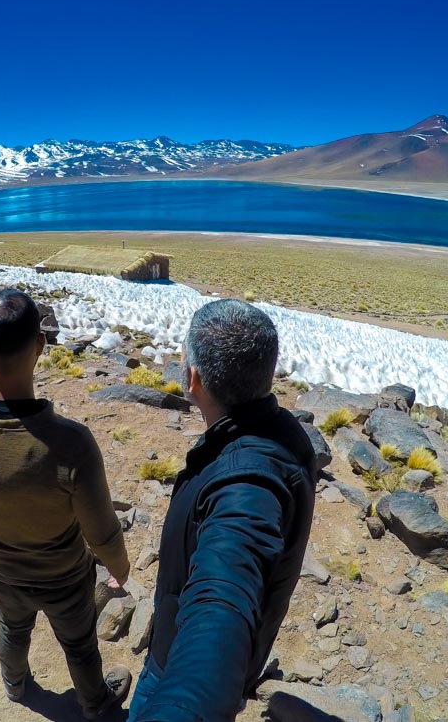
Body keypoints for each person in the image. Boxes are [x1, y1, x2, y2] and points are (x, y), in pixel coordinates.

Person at [0, 288, 133, 719]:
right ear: (40, 346)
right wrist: (119, 567)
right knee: (78, 644)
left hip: (1, 570)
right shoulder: (70, 442)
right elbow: (101, 531)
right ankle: (95, 704)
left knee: (12, 626)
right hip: (65, 578)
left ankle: (16, 685)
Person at [128, 299, 322, 722]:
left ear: (193, 378)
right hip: (244, 655)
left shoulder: (243, 479)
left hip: (174, 662)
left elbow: (224, 589)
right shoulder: (284, 431)